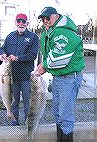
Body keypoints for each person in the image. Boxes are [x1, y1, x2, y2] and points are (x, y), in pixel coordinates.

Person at [36, 7, 85, 142]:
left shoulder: (63, 32)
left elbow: (59, 58)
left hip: (69, 78)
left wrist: (44, 66)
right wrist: (44, 65)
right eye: (42, 19)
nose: (44, 21)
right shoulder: (50, 31)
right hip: (58, 77)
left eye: (47, 17)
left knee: (65, 116)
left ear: (56, 16)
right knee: (57, 113)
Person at [0, 13, 39, 126]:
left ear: (27, 23)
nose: (21, 23)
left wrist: (17, 58)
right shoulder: (10, 36)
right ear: (15, 22)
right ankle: (14, 123)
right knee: (13, 102)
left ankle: (28, 124)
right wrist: (2, 54)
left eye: (23, 21)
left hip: (27, 76)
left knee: (28, 103)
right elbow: (2, 49)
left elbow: (33, 55)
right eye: (19, 21)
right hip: (11, 77)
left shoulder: (33, 37)